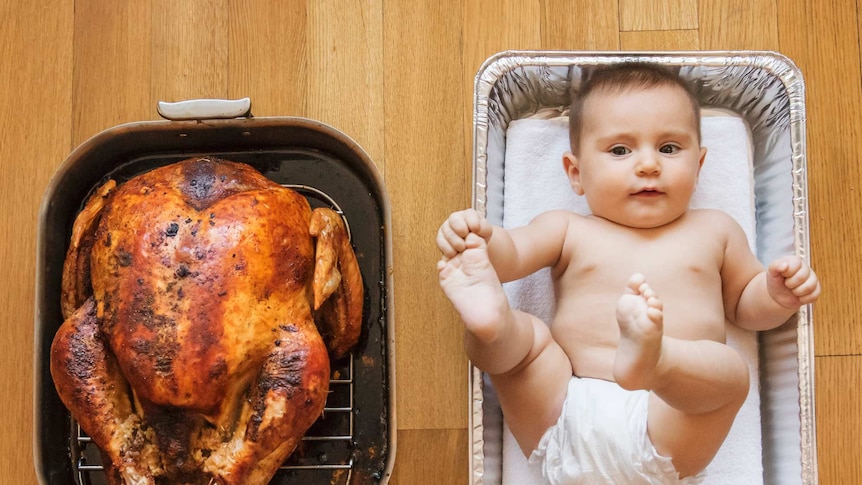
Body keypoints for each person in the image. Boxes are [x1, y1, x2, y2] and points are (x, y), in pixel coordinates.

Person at [435, 63, 820, 484]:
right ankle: (491, 327)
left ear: (700, 163)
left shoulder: (716, 230)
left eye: (670, 148)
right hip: (564, 407)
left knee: (728, 374)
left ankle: (659, 362)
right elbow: (512, 254)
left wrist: (775, 295)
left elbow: (746, 307)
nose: (649, 165)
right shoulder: (568, 228)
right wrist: (482, 241)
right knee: (525, 344)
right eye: (620, 151)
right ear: (576, 173)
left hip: (668, 422)